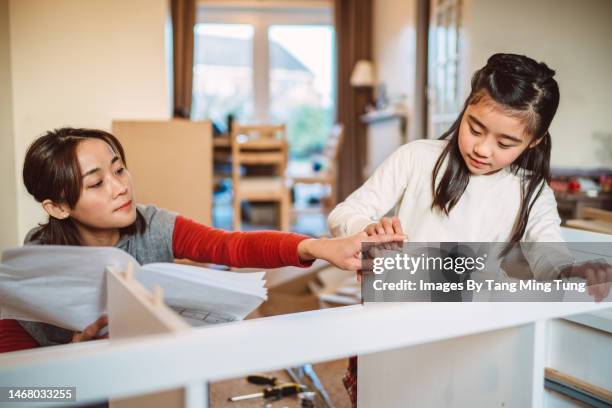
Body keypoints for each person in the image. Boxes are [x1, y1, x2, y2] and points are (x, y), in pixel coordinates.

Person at [328, 53, 611, 406]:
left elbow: (548, 258)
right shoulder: (417, 158)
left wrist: (575, 269)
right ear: (465, 109)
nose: (482, 148)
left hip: (473, 332)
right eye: (474, 128)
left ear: (533, 141)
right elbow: (345, 213)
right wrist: (367, 229)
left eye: (505, 143)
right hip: (398, 323)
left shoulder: (531, 191)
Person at [0, 127, 404, 353]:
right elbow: (19, 384)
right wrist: (71, 356)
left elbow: (231, 246)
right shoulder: (36, 261)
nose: (120, 187)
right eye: (97, 183)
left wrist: (317, 247)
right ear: (57, 207)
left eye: (119, 169)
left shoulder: (151, 224)